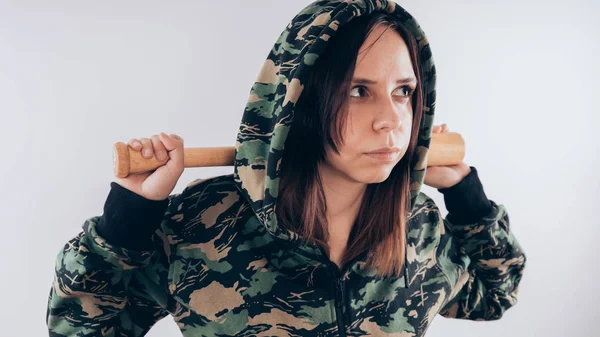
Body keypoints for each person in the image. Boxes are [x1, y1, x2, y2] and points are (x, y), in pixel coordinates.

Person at [46, 1, 527, 336]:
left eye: (404, 91)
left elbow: (495, 296)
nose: (393, 121)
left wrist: (465, 192)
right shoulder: (201, 223)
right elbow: (80, 329)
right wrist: (128, 217)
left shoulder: (416, 223)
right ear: (299, 102)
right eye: (358, 91)